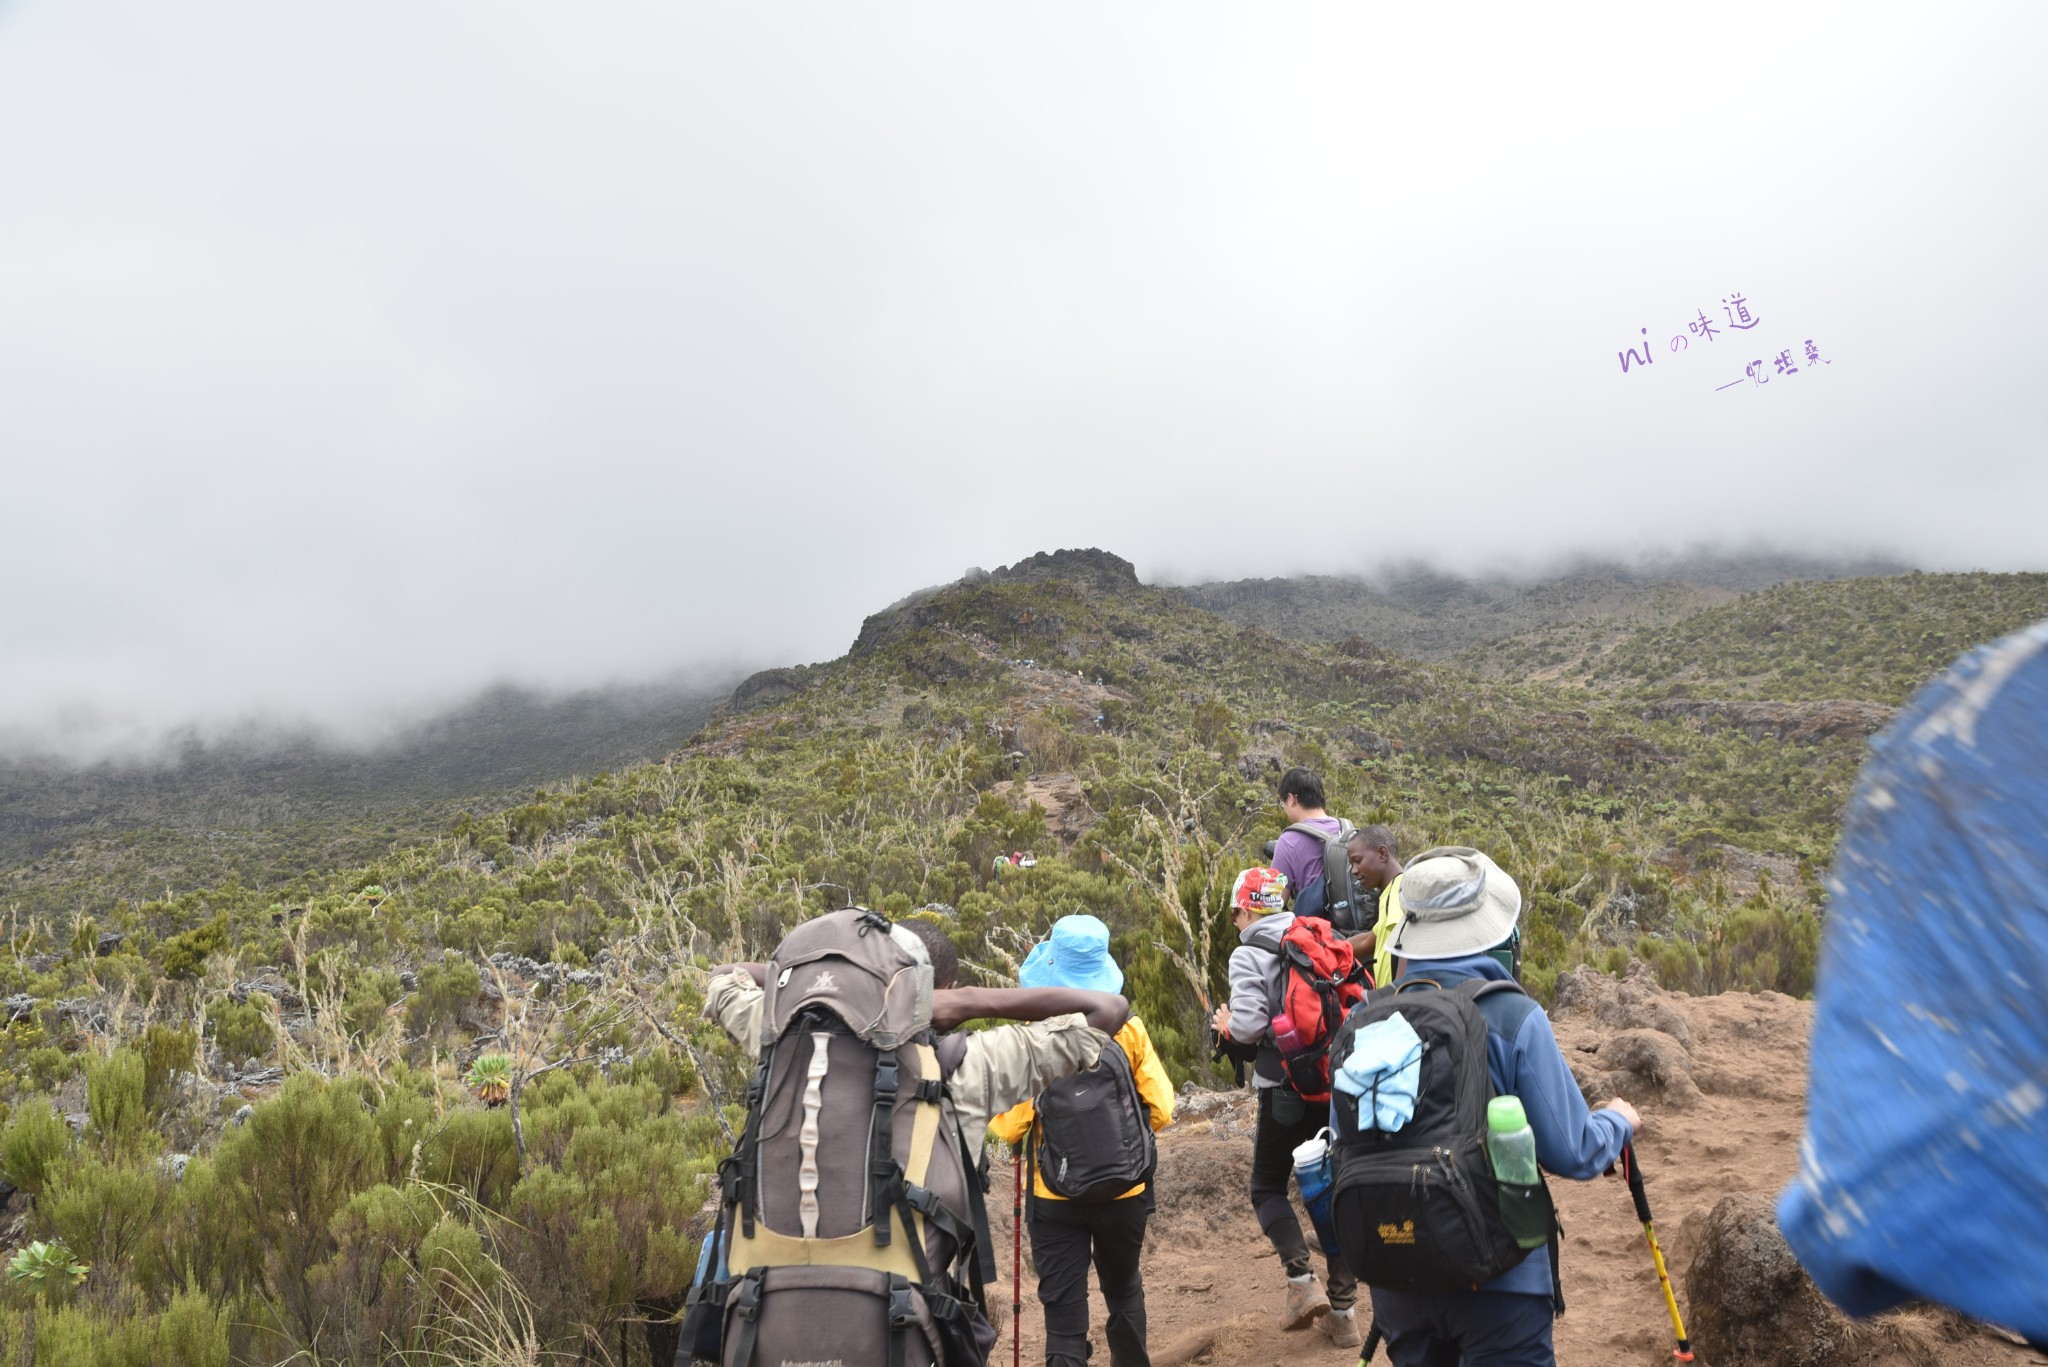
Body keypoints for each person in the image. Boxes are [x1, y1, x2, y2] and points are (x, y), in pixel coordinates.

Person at [1370, 847, 1642, 1367]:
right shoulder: (1512, 1014)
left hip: (1398, 1278)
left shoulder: (1368, 1016)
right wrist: (1618, 1122)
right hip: (1500, 1277)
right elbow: (1574, 1152)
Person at [705, 917, 1131, 1185]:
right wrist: (962, 1002)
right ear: (937, 992)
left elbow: (727, 975)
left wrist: (846, 984)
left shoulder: (781, 1035)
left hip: (773, 1304)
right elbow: (1108, 1009)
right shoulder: (967, 1068)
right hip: (910, 1309)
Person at [990, 916, 1176, 1367]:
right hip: (1124, 1189)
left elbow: (1009, 1128)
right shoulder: (1128, 1028)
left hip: (1053, 1196)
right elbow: (1164, 1109)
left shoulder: (1035, 1037)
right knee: (1124, 1289)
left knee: (1064, 1318)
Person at [1208, 866, 1362, 1346]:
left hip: (1284, 1089)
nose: (1234, 920)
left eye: (1235, 910)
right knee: (1332, 1190)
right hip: (1334, 1083)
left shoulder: (1248, 952)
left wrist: (1227, 1022)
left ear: (1248, 907)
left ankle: (1301, 1281)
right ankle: (1345, 1314)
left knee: (1267, 1187)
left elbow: (1252, 1028)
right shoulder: (1316, 934)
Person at [1271, 768, 1350, 924]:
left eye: (1283, 802)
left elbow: (1275, 903)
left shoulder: (1288, 840)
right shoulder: (1347, 829)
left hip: (1316, 937)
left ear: (1291, 799)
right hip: (1355, 933)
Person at [1345, 824, 1403, 985]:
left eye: (1358, 861)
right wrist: (1327, 948)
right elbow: (1368, 941)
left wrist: (1398, 996)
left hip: (1397, 1000)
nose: (1354, 871)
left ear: (1382, 854)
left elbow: (1405, 943)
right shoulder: (1388, 894)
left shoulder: (1399, 889)